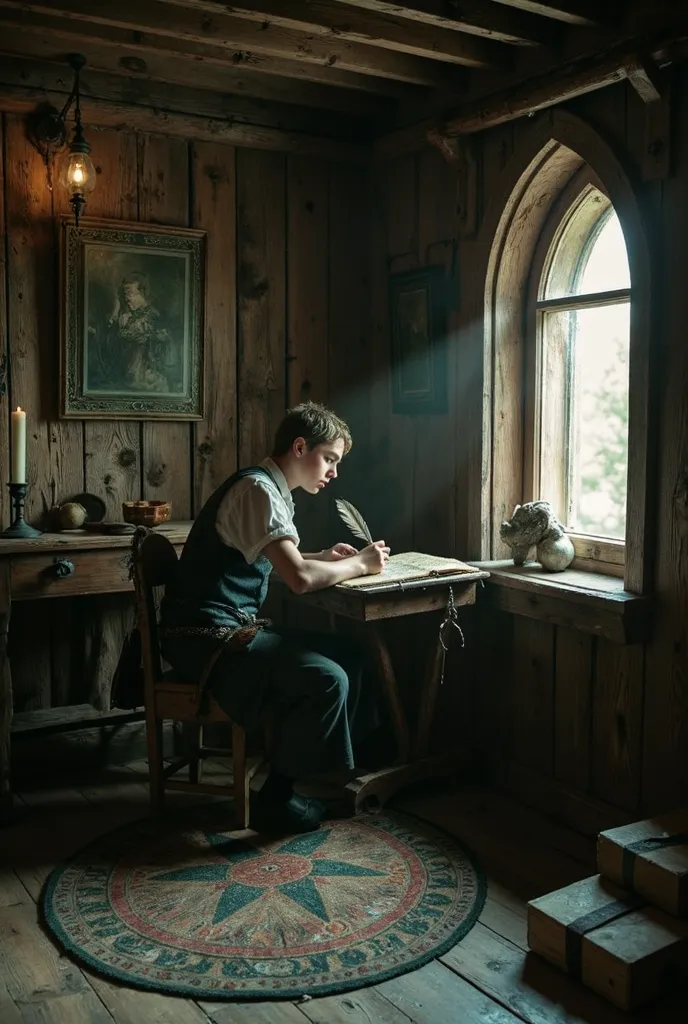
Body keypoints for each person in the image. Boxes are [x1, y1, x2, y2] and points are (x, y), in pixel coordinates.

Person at [160, 401, 390, 832]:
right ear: (300, 446)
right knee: (327, 678)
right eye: (330, 459)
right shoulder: (259, 492)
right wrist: (360, 565)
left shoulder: (269, 489)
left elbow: (280, 561)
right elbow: (299, 579)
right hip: (205, 637)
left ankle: (327, 776)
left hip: (227, 627)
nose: (334, 472)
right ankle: (278, 797)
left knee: (351, 655)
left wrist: (322, 555)